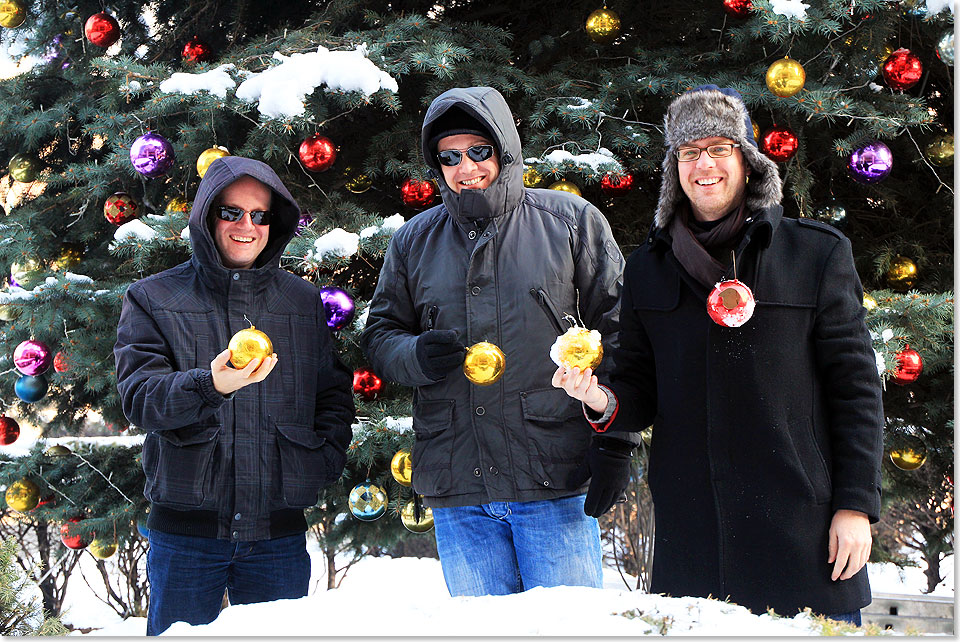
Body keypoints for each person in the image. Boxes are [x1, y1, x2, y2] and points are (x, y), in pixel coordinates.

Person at [553, 85, 884, 624]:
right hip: (696, 543)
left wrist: (854, 506)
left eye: (718, 149)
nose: (702, 165)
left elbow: (856, 389)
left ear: (746, 162)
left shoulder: (816, 253)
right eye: (688, 153)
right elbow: (637, 391)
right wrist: (596, 394)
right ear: (674, 169)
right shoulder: (646, 270)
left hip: (803, 535)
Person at [361, 86, 639, 596]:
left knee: (567, 636)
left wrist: (617, 439)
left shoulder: (571, 222)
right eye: (448, 157)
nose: (464, 166)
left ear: (504, 149)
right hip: (458, 485)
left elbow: (625, 331)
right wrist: (414, 355)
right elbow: (380, 335)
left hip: (552, 478)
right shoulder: (412, 241)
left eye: (478, 151)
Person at [114, 156, 355, 635]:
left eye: (261, 215)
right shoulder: (153, 297)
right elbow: (140, 398)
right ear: (207, 216)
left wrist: (321, 460)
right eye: (232, 213)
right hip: (186, 537)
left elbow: (332, 395)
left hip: (277, 537)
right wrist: (211, 384)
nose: (247, 226)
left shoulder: (301, 301)